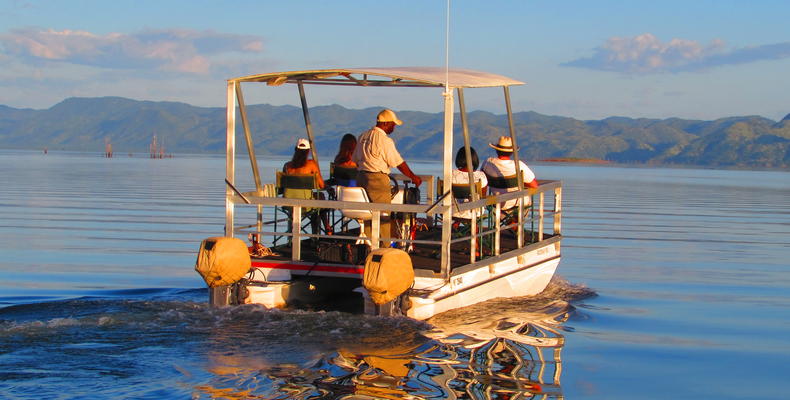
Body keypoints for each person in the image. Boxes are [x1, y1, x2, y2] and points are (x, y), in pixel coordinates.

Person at [352, 109, 422, 239]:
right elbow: (398, 162)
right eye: (393, 124)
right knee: (384, 215)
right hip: (377, 179)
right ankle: (384, 246)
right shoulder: (384, 140)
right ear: (386, 123)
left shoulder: (362, 136)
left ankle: (369, 244)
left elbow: (355, 159)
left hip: (361, 177)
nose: (394, 127)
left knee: (368, 214)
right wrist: (413, 177)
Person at [282, 138, 331, 234]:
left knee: (317, 200)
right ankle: (325, 229)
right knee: (320, 198)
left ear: (295, 150)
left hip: (288, 204)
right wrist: (328, 187)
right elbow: (321, 185)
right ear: (308, 151)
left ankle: (292, 235)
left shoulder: (287, 166)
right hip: (306, 204)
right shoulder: (311, 164)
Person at [480, 136, 538, 210]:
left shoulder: (487, 163)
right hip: (518, 203)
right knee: (526, 199)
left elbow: (483, 181)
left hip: (496, 203)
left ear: (496, 150)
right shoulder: (518, 165)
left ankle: (509, 221)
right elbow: (534, 186)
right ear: (511, 152)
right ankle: (513, 221)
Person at [451, 146, 488, 220]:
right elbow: (483, 197)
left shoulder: (450, 174)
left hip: (452, 211)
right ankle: (475, 226)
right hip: (474, 212)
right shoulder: (480, 176)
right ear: (475, 159)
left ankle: (456, 223)